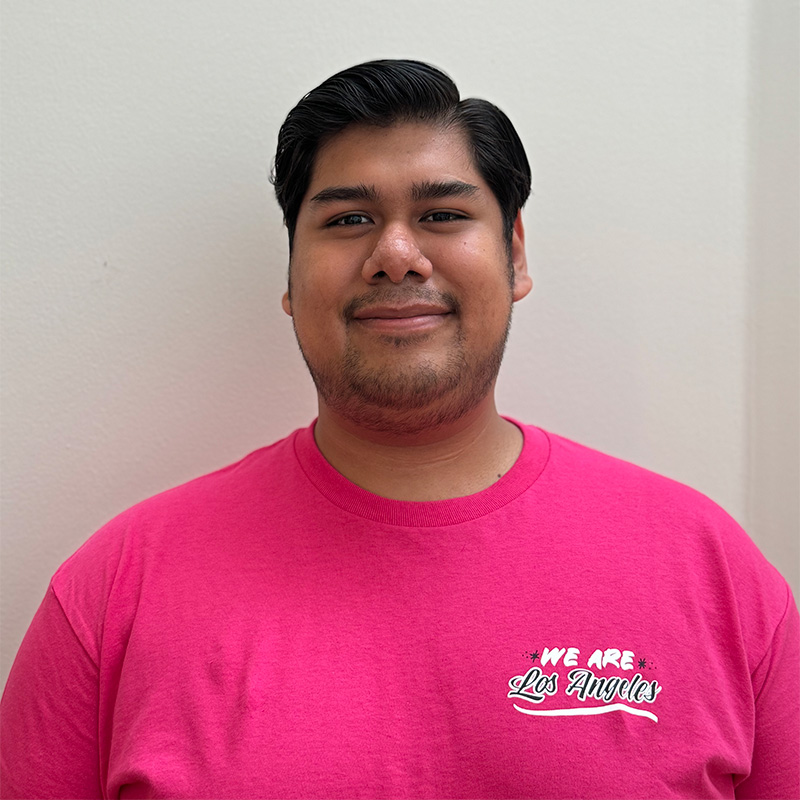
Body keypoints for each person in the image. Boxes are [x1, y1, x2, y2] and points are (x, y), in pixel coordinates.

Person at [1, 59, 797, 800]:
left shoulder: (707, 569)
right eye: (348, 218)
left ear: (515, 255)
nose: (396, 254)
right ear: (289, 275)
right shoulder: (118, 590)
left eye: (443, 213)